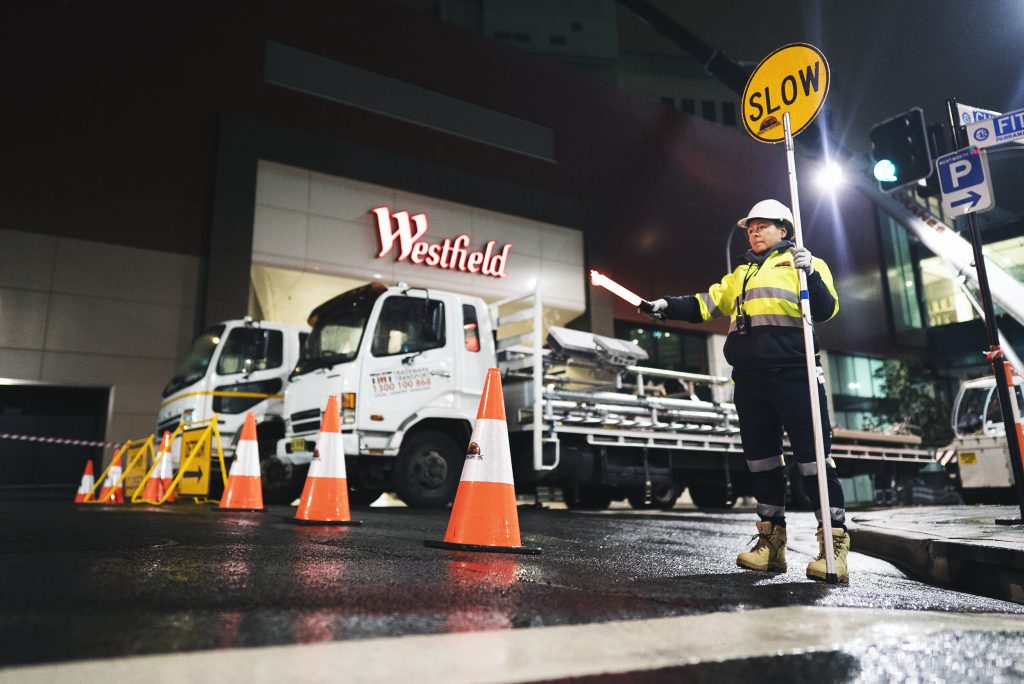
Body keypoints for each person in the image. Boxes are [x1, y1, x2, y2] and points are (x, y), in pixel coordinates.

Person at [640, 199, 850, 583]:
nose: (753, 232)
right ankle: (770, 545)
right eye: (750, 228)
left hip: (796, 374)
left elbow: (826, 309)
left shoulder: (806, 262)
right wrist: (666, 306)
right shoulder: (742, 272)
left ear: (784, 230)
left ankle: (832, 547)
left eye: (762, 226)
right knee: (762, 462)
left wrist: (811, 275)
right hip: (751, 379)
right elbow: (707, 303)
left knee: (814, 461)